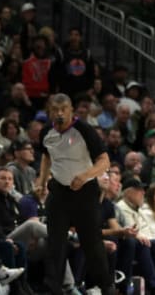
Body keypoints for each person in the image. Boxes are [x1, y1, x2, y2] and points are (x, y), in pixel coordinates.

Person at [37, 93, 113, 295]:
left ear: (72, 111)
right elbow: (46, 156)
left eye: (64, 110)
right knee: (55, 243)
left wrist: (85, 176)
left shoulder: (84, 130)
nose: (60, 114)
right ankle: (52, 288)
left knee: (91, 243)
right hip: (59, 192)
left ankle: (107, 287)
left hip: (85, 193)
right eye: (56, 110)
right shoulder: (45, 132)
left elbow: (104, 161)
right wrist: (42, 181)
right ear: (49, 111)